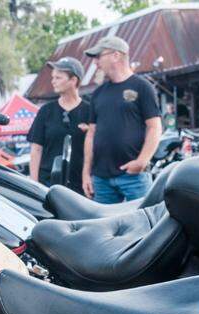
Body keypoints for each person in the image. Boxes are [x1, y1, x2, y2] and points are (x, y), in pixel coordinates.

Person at [81, 35, 162, 203]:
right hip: (101, 178)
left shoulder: (143, 87)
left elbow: (155, 127)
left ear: (116, 55)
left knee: (144, 224)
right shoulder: (98, 93)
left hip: (134, 176)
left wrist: (142, 161)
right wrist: (86, 173)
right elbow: (91, 134)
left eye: (98, 56)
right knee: (104, 227)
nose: (95, 62)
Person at [27, 57, 92, 194]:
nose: (53, 81)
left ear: (73, 80)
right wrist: (34, 183)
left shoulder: (89, 111)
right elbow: (36, 149)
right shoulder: (46, 111)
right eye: (53, 77)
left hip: (80, 185)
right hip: (48, 184)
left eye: (58, 77)